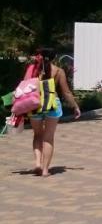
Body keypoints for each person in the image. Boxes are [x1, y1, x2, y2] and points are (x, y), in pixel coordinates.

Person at [22, 48, 80, 176]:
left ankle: (37, 163)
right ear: (54, 58)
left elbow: (25, 85)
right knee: (48, 138)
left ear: (40, 56)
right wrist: (75, 106)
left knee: (37, 135)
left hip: (35, 104)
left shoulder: (32, 69)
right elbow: (66, 92)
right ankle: (45, 170)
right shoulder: (59, 71)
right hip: (52, 104)